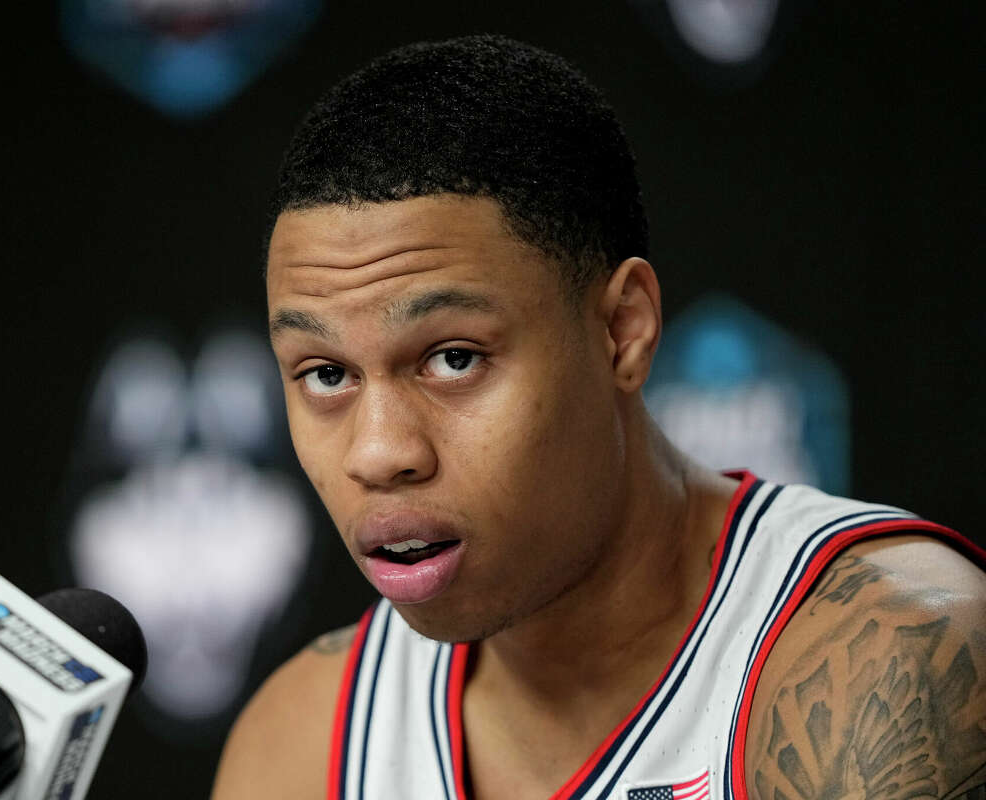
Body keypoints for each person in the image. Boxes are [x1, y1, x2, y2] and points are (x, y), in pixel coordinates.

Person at [211, 34, 986, 800]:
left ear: (623, 331)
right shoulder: (304, 741)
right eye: (327, 374)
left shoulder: (888, 666)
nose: (379, 453)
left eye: (453, 358)